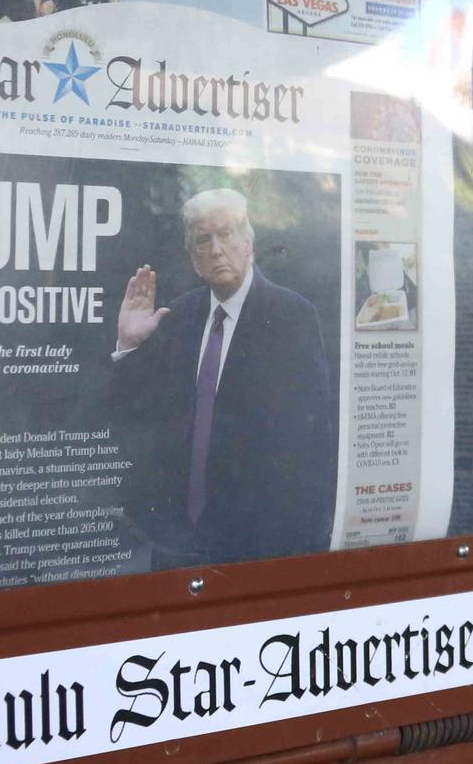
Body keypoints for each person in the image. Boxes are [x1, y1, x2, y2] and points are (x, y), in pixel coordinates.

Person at [110, 188, 336, 566]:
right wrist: (130, 346)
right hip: (178, 546)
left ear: (249, 242)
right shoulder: (178, 316)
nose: (216, 249)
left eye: (226, 234)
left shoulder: (291, 316)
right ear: (194, 259)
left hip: (258, 545)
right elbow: (139, 419)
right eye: (203, 239)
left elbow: (310, 445)